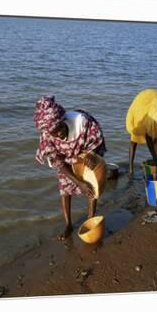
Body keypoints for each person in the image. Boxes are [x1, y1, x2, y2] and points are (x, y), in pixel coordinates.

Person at [34, 96, 107, 240]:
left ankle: (90, 219)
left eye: (60, 127)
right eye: (55, 132)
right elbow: (58, 163)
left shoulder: (82, 121)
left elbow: (96, 139)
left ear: (62, 120)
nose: (60, 133)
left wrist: (90, 154)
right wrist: (79, 183)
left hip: (85, 150)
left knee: (92, 183)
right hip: (64, 158)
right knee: (64, 187)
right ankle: (68, 224)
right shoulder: (47, 136)